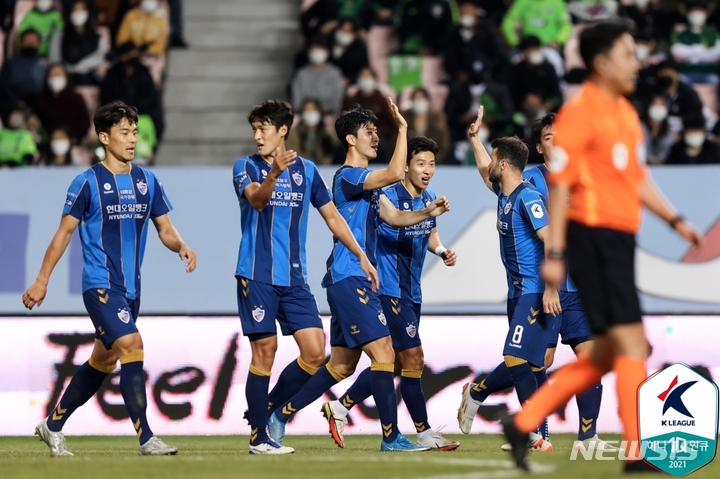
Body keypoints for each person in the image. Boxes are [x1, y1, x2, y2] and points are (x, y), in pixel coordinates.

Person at [499, 20, 703, 473]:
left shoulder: (625, 113)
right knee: (632, 343)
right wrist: (554, 254)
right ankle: (638, 451)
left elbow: (637, 179)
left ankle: (524, 421)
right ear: (601, 62)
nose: (637, 63)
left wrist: (676, 220)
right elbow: (561, 185)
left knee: (612, 352)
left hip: (620, 239)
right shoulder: (580, 114)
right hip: (591, 240)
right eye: (628, 54)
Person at [265, 101, 449, 452]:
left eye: (378, 131)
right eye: (369, 132)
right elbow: (396, 174)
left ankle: (279, 414)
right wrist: (404, 130)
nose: (376, 137)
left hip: (355, 279)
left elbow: (395, 219)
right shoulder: (349, 177)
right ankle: (391, 437)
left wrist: (427, 211)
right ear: (351, 139)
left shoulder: (369, 187)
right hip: (349, 276)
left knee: (342, 365)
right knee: (385, 354)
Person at [22, 100, 197, 457]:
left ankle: (52, 425)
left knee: (102, 361)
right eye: (124, 132)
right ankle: (147, 437)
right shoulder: (86, 182)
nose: (132, 138)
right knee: (132, 345)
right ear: (104, 137)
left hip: (131, 290)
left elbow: (164, 228)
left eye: (134, 131)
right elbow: (62, 235)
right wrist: (42, 280)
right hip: (100, 285)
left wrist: (181, 245)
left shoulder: (148, 181)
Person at [233, 99, 379, 455]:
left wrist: (360, 255)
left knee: (315, 353)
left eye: (263, 128)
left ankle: (264, 410)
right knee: (264, 352)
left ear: (283, 130)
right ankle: (258, 437)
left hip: (296, 279)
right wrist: (273, 174)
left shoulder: (308, 171)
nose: (257, 136)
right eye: (254, 129)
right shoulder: (245, 167)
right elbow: (256, 200)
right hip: (257, 275)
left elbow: (332, 217)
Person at [321, 136, 460, 451]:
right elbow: (392, 224)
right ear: (407, 165)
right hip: (386, 288)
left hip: (412, 290)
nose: (427, 170)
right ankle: (422, 433)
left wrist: (441, 251)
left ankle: (341, 407)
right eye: (421, 163)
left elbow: (431, 234)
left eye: (432, 164)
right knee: (413, 358)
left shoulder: (431, 196)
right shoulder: (384, 196)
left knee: (396, 364)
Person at [458, 123, 555, 451]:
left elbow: (551, 242)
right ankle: (483, 395)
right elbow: (486, 173)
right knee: (531, 363)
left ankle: (528, 429)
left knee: (516, 358)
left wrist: (551, 289)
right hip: (517, 293)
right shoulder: (506, 193)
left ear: (503, 164)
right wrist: (475, 140)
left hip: (535, 291)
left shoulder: (529, 197)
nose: (489, 164)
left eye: (493, 158)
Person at [49, 0, 109, 86]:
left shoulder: (96, 35)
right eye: (75, 9)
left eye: (82, 9)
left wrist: (77, 68)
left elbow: (99, 57)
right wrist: (66, 70)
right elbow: (54, 59)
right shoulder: (59, 34)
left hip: (89, 81)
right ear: (70, 12)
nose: (79, 13)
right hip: (65, 80)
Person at [34, 63, 91, 144]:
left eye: (58, 74)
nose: (55, 78)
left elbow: (85, 122)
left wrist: (71, 137)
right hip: (49, 142)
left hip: (73, 141)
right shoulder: (41, 100)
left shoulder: (76, 98)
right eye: (52, 75)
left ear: (66, 77)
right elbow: (38, 122)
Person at [402, 88, 451, 164]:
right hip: (409, 161)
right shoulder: (405, 118)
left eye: (421, 98)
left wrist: (432, 161)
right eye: (416, 98)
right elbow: (399, 142)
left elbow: (444, 142)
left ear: (427, 100)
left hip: (436, 161)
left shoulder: (437, 118)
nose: (419, 101)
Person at [285, 98, 337, 165]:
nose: (310, 113)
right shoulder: (293, 134)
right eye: (307, 110)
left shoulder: (326, 133)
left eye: (313, 109)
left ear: (319, 112)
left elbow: (335, 151)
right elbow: (293, 154)